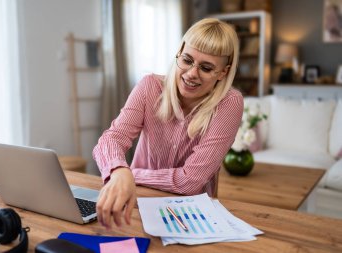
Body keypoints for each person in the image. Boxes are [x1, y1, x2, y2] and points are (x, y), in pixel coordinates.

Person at [93, 18, 244, 229]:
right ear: (179, 53)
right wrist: (119, 171)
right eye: (187, 60)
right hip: (136, 200)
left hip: (193, 214)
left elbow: (190, 181)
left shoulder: (229, 103)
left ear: (223, 72)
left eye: (206, 68)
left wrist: (130, 175)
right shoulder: (149, 86)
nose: (192, 73)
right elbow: (112, 139)